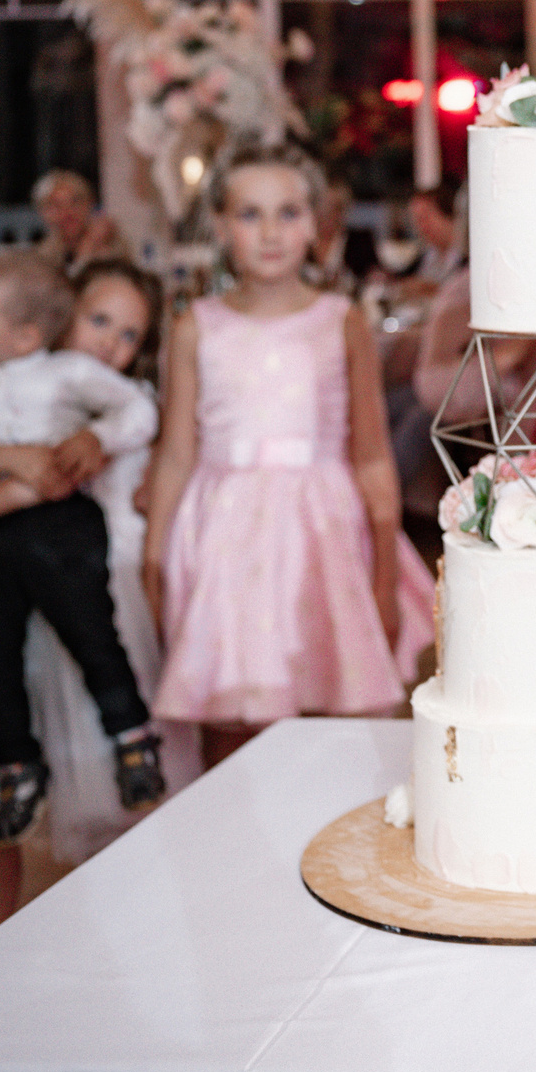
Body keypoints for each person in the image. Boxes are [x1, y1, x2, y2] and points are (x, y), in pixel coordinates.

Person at [0, 260, 203, 937]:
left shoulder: (116, 418)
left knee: (119, 806)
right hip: (1, 600)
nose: (107, 345)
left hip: (92, 607)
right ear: (54, 322)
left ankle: (135, 955)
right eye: (97, 321)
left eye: (127, 335)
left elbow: (55, 480)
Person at [145, 142, 436, 770]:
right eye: (250, 215)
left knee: (330, 712)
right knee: (227, 717)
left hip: (321, 531)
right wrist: (155, 551)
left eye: (288, 212)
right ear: (221, 227)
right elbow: (176, 452)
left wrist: (385, 570)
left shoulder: (341, 320)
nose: (271, 232)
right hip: (225, 538)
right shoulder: (196, 323)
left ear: (315, 223)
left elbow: (372, 457)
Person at [30, 170, 124, 271]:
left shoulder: (109, 242)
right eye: (56, 206)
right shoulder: (44, 255)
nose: (68, 213)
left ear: (89, 203)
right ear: (42, 212)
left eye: (75, 202)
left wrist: (90, 244)